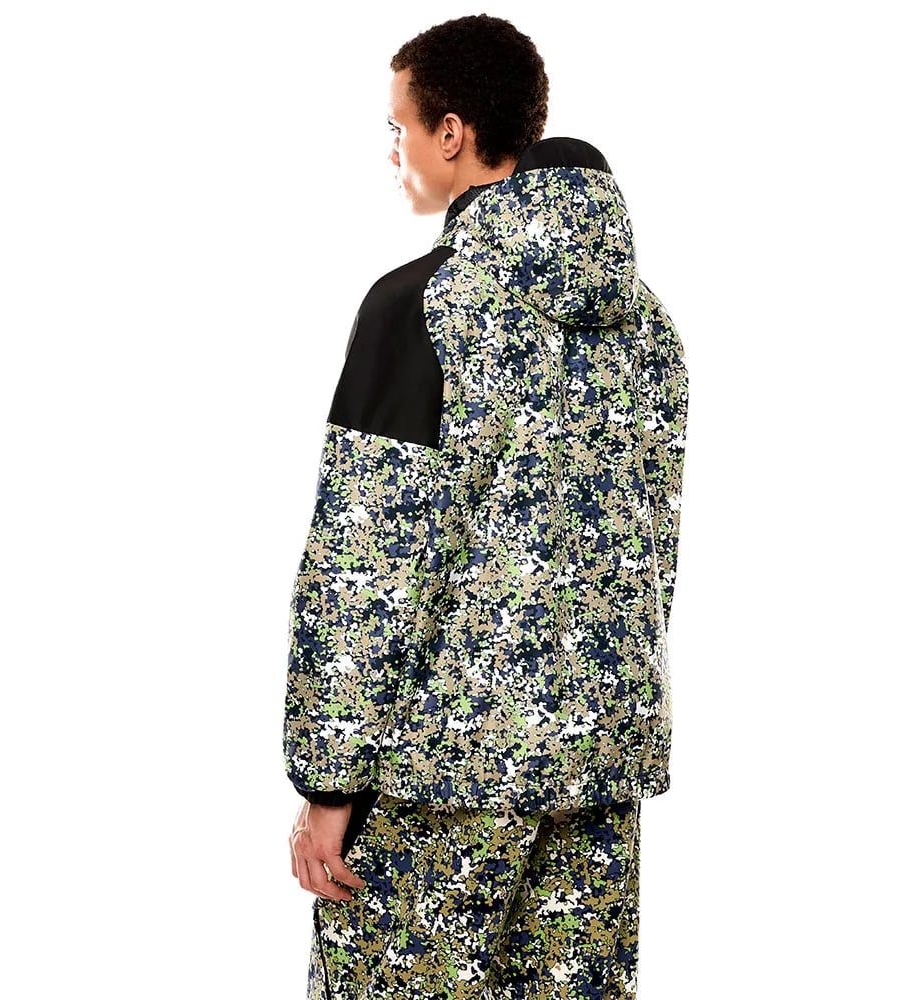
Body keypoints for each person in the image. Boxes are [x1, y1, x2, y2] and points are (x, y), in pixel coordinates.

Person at [283, 13, 690, 999]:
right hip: (598, 765)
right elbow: (653, 548)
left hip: (441, 778)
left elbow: (366, 567)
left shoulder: (420, 304)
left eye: (399, 127)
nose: (393, 151)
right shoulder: (644, 324)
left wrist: (328, 780)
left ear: (452, 133)